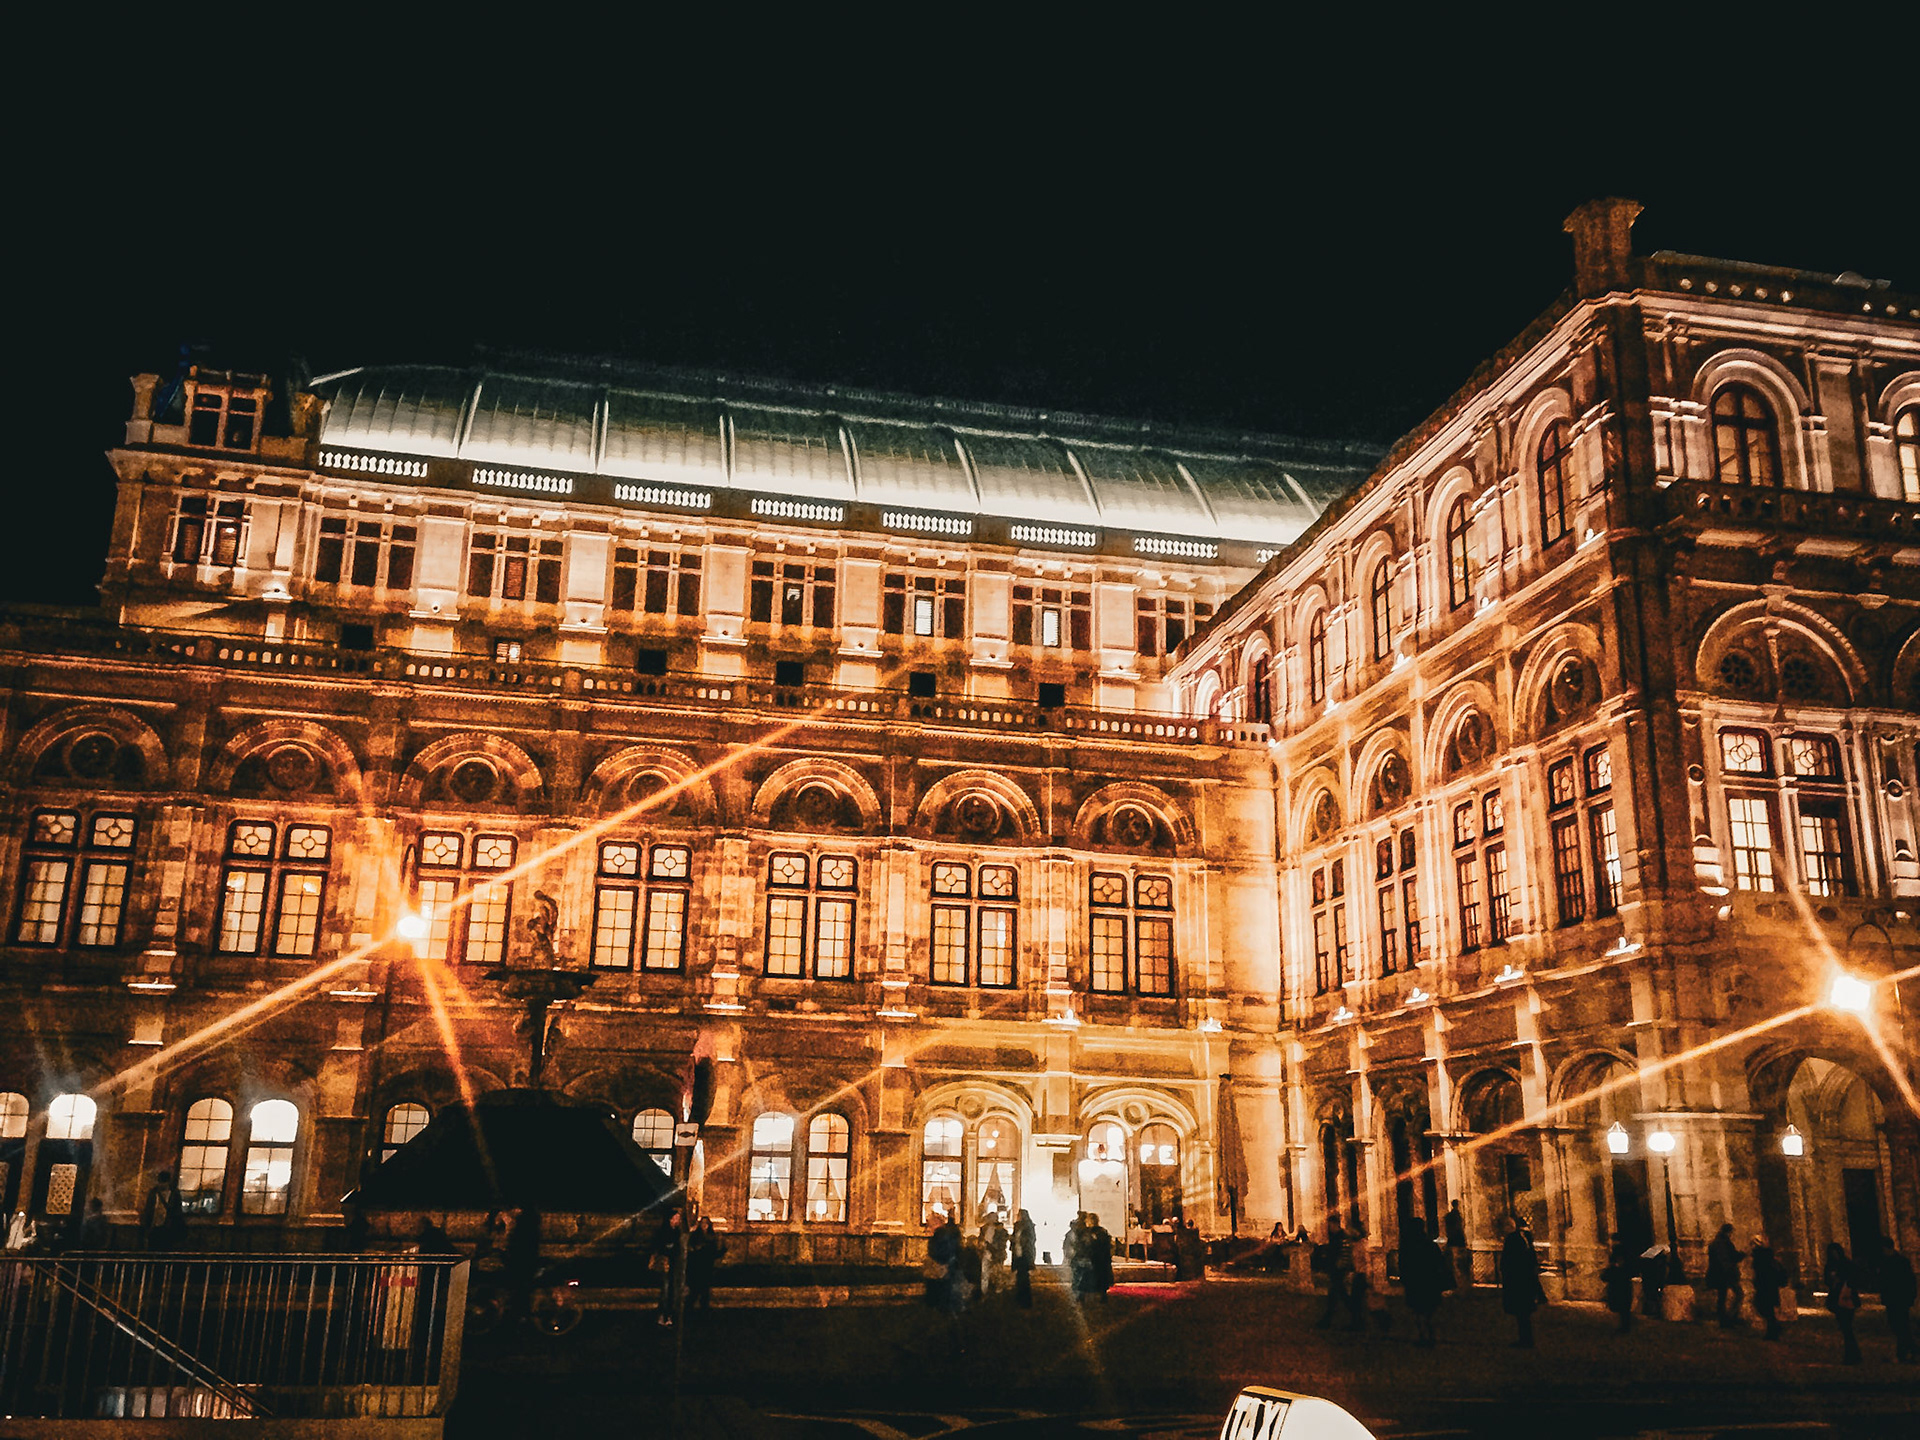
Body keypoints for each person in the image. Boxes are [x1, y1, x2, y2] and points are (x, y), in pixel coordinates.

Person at [1500, 1219, 1545, 1348]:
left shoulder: (1513, 1240)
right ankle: (1526, 1338)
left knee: (1522, 1313)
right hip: (1524, 1280)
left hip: (1518, 1281)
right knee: (1523, 1313)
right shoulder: (1524, 1239)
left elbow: (1509, 1261)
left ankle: (1525, 1340)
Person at [1399, 1225, 1446, 1347]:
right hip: (1430, 1283)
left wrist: (1405, 1280)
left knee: (1418, 1312)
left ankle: (1422, 1335)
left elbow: (1404, 1266)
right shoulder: (1430, 1245)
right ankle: (1431, 1335)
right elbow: (1439, 1262)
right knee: (1429, 1312)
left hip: (1415, 1284)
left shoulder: (1408, 1247)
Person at [1823, 1241, 1862, 1365]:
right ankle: (1852, 1354)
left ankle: (1852, 1355)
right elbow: (1827, 1281)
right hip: (1837, 1298)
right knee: (1845, 1328)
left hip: (1847, 1297)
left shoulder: (1846, 1264)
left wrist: (1842, 1281)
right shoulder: (1830, 1265)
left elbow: (1854, 1279)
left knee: (1847, 1328)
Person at [1878, 1240, 1915, 1363]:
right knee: (1897, 1326)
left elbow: (1909, 1281)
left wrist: (1910, 1297)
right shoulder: (1886, 1262)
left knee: (1901, 1326)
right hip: (1892, 1299)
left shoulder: (1901, 1262)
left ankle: (1905, 1352)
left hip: (1900, 1298)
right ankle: (1909, 1350)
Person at [1314, 1217, 1353, 1330]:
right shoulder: (1335, 1236)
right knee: (1339, 1294)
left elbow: (1344, 1252)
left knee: (1336, 1294)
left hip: (1338, 1269)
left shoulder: (1341, 1236)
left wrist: (1341, 1265)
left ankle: (1327, 1320)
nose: (1329, 1227)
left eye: (1330, 1225)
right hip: (1335, 1269)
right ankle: (1355, 1315)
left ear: (1335, 1224)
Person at [1750, 1233, 1787, 1341]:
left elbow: (1762, 1271)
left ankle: (1774, 1330)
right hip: (1769, 1286)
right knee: (1767, 1308)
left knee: (1764, 1307)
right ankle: (1774, 1329)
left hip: (1765, 1285)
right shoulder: (1766, 1256)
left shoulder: (1761, 1257)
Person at [1705, 1222, 1744, 1328]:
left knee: (1722, 1297)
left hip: (1717, 1274)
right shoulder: (1725, 1243)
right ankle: (1730, 1318)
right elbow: (1731, 1257)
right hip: (1727, 1273)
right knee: (1739, 1294)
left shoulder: (1714, 1243)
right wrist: (1743, 1254)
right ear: (1729, 1232)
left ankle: (1724, 1319)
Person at [139, 1170, 185, 1250]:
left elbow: (149, 1210)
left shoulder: (156, 1193)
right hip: (159, 1228)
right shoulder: (172, 1194)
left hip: (166, 1228)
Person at [928, 1211, 963, 1313]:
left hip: (942, 1263)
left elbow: (935, 1250)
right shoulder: (948, 1234)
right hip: (948, 1262)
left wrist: (938, 1259)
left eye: (931, 1225)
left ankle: (942, 1307)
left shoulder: (939, 1236)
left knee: (941, 1285)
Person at [686, 1217, 723, 1312]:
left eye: (706, 1223)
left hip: (707, 1265)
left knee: (705, 1290)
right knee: (695, 1290)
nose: (704, 1225)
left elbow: (715, 1251)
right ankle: (690, 1309)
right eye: (702, 1223)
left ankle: (703, 1309)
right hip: (697, 1265)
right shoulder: (695, 1236)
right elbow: (691, 1249)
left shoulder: (712, 1236)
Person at [1601, 1238, 1636, 1334]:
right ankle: (1624, 1326)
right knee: (1624, 1308)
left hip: (1619, 1285)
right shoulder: (1625, 1258)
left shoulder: (1618, 1258)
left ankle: (1623, 1327)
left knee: (1621, 1307)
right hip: (1623, 1284)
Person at [1010, 1208, 1036, 1309]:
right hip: (1018, 1253)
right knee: (1020, 1276)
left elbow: (1030, 1240)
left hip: (1024, 1254)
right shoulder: (1017, 1226)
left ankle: (1024, 1299)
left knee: (1023, 1276)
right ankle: (1020, 1298)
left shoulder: (1028, 1226)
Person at [978, 1210, 1008, 1296]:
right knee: (985, 1273)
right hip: (986, 1253)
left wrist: (994, 1248)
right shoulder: (984, 1229)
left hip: (996, 1254)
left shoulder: (1001, 1230)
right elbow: (981, 1239)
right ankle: (984, 1289)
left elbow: (1002, 1243)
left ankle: (998, 1289)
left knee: (997, 1272)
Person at [1443, 1200, 1469, 1292]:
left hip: (1454, 1241)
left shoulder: (1450, 1216)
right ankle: (1460, 1285)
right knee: (1459, 1264)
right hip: (1457, 1241)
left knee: (1456, 1264)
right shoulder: (1456, 1216)